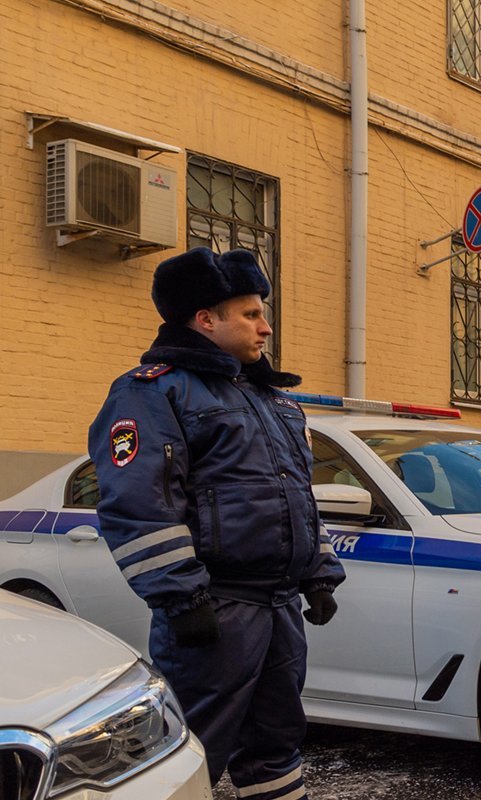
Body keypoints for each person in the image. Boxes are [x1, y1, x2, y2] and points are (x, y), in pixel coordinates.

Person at [89, 247, 346, 795]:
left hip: (278, 610)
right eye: (252, 314)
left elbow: (296, 495)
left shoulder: (272, 401)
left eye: (263, 314)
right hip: (214, 612)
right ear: (205, 319)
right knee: (187, 757)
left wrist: (319, 571)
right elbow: (139, 504)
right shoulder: (152, 391)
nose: (266, 327)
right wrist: (180, 597)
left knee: (277, 745)